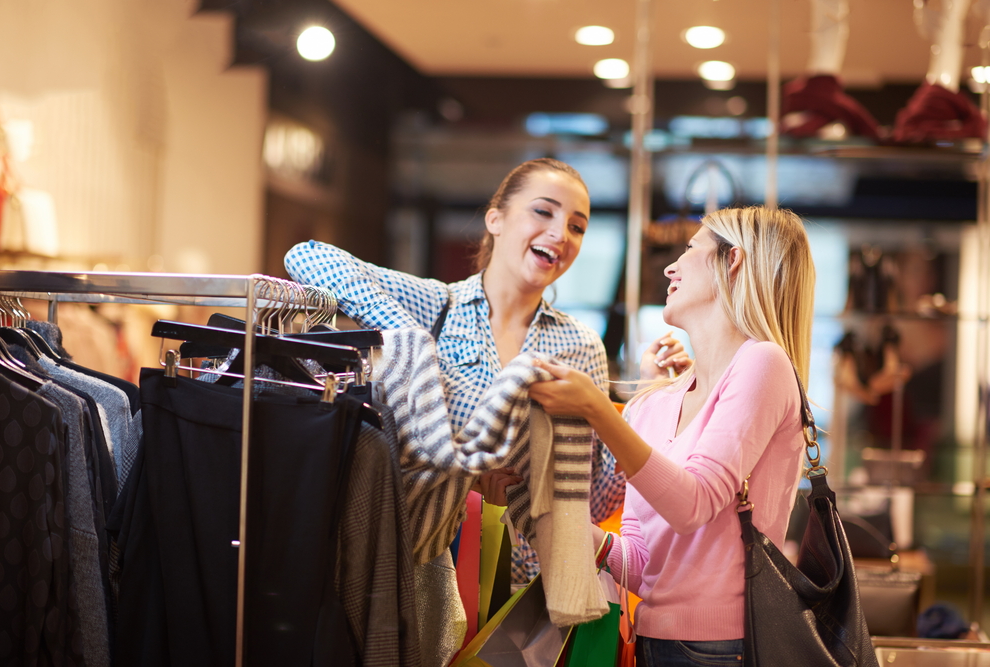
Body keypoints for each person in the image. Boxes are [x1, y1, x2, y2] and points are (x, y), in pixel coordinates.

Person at [284, 158, 688, 661]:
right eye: (543, 211)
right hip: (428, 559)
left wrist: (646, 395)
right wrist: (411, 341)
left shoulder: (579, 346)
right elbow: (308, 257)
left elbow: (594, 503)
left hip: (525, 588)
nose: (560, 233)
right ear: (495, 218)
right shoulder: (437, 307)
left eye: (578, 226)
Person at [529, 205, 816, 667]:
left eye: (689, 248)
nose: (669, 265)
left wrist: (598, 409)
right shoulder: (652, 403)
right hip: (653, 643)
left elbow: (693, 504)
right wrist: (560, 523)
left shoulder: (763, 364)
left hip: (729, 649)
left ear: (733, 259)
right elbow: (644, 566)